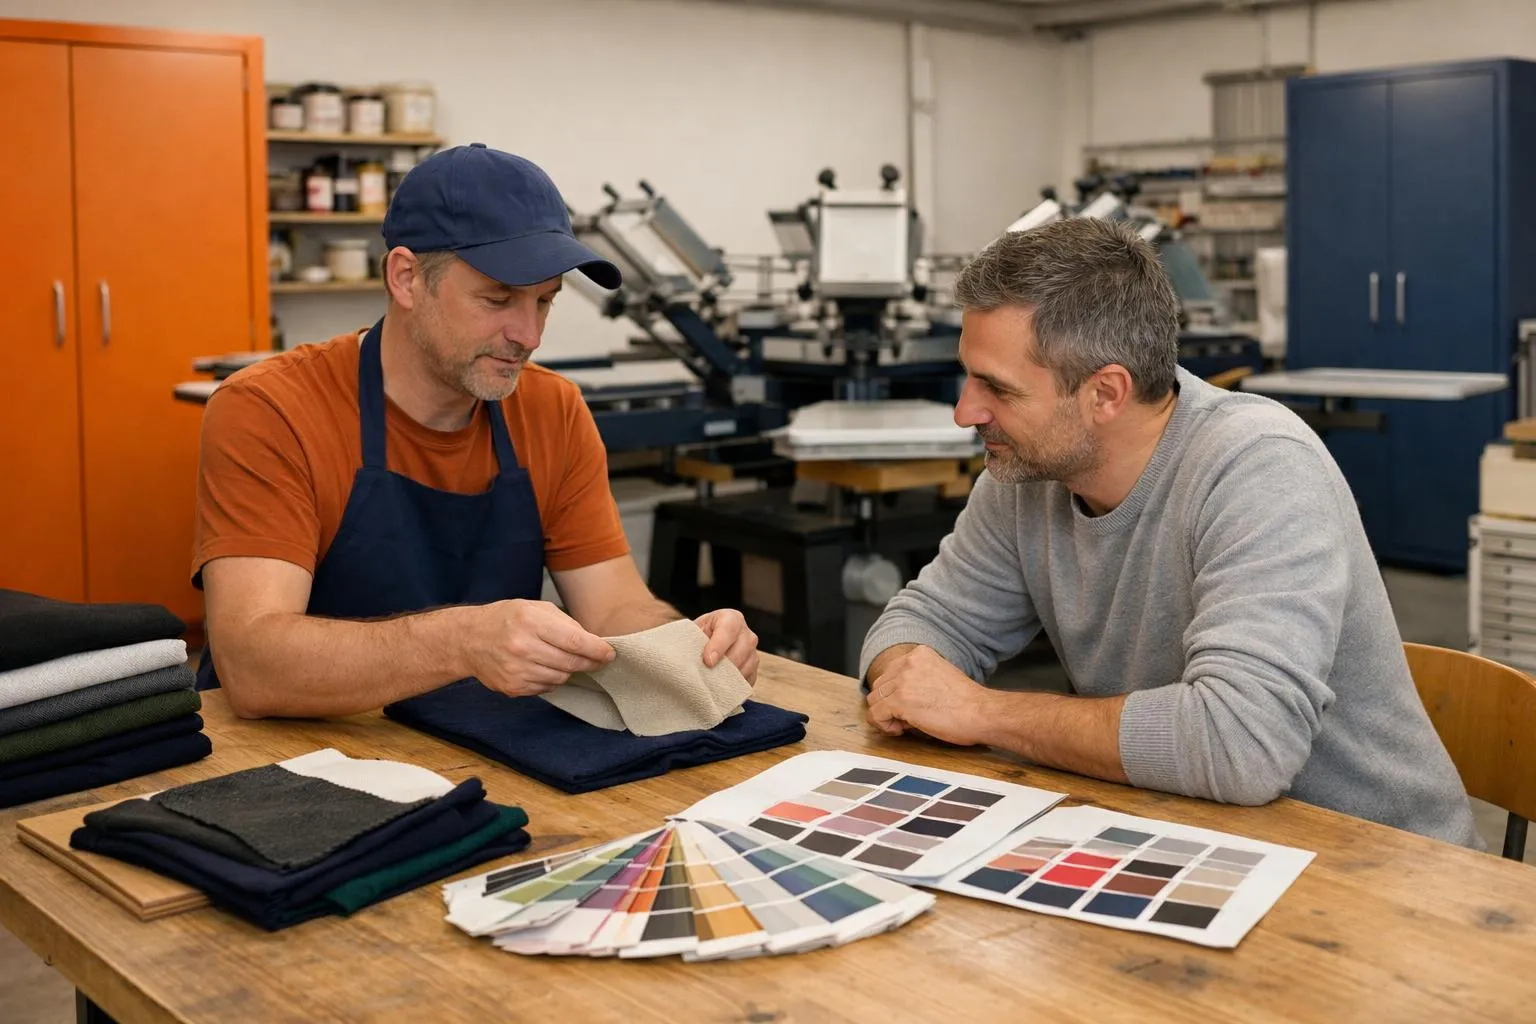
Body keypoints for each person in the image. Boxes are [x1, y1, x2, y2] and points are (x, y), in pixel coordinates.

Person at [860, 217, 1479, 846]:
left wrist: (981, 711)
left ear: (1105, 392)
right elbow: (922, 622)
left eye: (996, 386)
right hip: (1186, 835)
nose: (967, 412)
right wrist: (911, 680)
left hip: (1383, 871)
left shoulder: (1259, 466)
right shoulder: (1027, 472)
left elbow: (1241, 744)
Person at [193, 144, 757, 718]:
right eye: (498, 299)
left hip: (477, 752)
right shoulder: (270, 409)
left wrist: (689, 640)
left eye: (545, 302)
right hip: (287, 767)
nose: (530, 334)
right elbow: (252, 665)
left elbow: (614, 609)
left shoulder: (554, 411)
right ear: (407, 278)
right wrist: (461, 642)